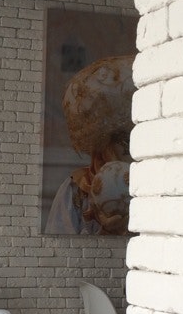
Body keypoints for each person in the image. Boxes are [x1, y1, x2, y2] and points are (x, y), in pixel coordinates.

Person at [45, 54, 135, 235]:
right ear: (103, 143)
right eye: (123, 139)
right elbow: (58, 247)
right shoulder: (75, 191)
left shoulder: (161, 187)